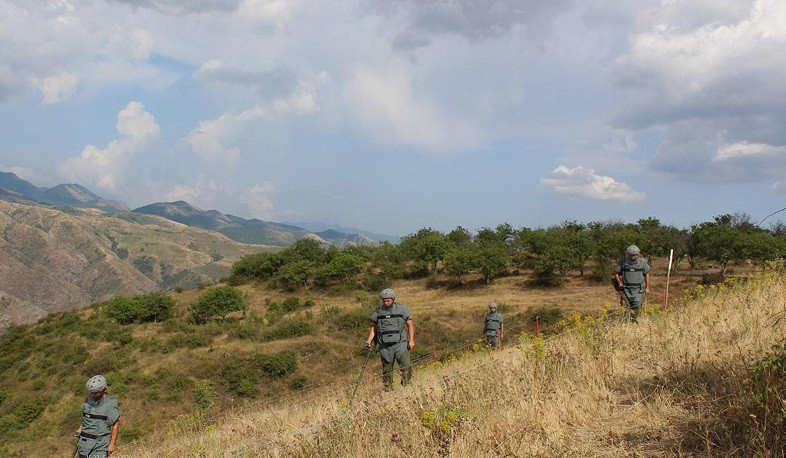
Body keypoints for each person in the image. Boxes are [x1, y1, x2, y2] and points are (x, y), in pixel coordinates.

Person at [365, 288, 415, 391]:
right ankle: (388, 390)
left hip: (400, 344)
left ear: (393, 299)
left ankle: (406, 387)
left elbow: (410, 324)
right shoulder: (378, 311)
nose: (386, 303)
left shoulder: (402, 309)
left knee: (406, 366)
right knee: (387, 370)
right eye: (384, 301)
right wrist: (369, 340)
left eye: (388, 300)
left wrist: (411, 340)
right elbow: (374, 327)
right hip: (385, 346)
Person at [75, 375, 120, 458]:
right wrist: (80, 428)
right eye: (91, 392)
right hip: (84, 443)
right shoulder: (88, 400)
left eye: (95, 393)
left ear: (102, 390)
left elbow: (115, 424)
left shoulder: (110, 404)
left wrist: (112, 444)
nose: (92, 395)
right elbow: (86, 416)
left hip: (99, 445)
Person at [613, 245, 651, 322]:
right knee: (625, 306)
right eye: (631, 255)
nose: (632, 257)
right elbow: (616, 272)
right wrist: (619, 283)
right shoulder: (622, 262)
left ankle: (634, 321)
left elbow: (646, 274)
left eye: (634, 255)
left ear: (637, 254)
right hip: (626, 288)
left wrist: (647, 287)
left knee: (637, 305)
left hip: (638, 289)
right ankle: (625, 322)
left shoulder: (642, 262)